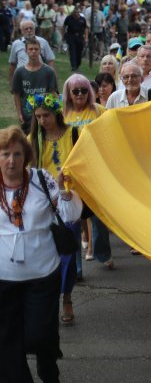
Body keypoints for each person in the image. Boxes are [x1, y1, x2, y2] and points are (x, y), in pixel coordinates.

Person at [0, 126, 82, 383]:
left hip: (42, 275)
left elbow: (70, 216)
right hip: (4, 279)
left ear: (26, 156)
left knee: (39, 336)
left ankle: (48, 368)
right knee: (7, 341)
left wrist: (65, 191)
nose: (11, 161)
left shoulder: (40, 179)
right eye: (5, 154)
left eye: (17, 154)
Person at [27, 92, 83, 326]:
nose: (42, 121)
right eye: (38, 117)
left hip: (68, 199)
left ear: (56, 113)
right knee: (44, 253)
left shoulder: (72, 132)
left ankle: (67, 297)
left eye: (46, 116)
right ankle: (48, 298)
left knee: (68, 253)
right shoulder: (33, 139)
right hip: (44, 201)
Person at [62, 74, 110, 268]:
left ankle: (103, 254)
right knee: (73, 219)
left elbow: (113, 129)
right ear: (69, 93)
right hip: (70, 173)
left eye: (84, 90)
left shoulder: (98, 110)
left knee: (98, 217)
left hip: (95, 171)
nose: (80, 94)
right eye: (75, 91)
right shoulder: (62, 114)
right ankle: (76, 269)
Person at [11, 37, 58, 134]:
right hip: (27, 115)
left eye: (36, 49)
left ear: (40, 51)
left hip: (44, 114)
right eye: (31, 49)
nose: (33, 52)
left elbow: (53, 93)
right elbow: (17, 94)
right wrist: (19, 114)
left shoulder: (48, 71)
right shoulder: (19, 72)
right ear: (26, 51)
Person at [7, 20, 56, 86]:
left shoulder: (43, 42)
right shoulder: (16, 44)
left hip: (40, 76)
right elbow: (12, 64)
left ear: (34, 29)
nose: (29, 30)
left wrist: (52, 78)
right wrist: (11, 82)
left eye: (31, 28)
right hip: (22, 77)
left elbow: (50, 60)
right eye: (26, 29)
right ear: (21, 31)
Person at [63, 6, 88, 71]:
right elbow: (64, 26)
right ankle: (73, 66)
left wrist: (86, 38)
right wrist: (64, 35)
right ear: (73, 12)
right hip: (71, 36)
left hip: (80, 36)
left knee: (79, 51)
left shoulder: (82, 19)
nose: (76, 14)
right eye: (75, 12)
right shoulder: (69, 18)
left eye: (78, 12)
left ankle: (78, 64)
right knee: (72, 51)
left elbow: (86, 28)